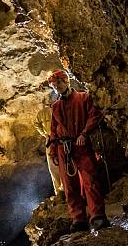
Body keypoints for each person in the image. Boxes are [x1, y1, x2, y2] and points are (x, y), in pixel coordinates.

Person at [47, 69, 110, 232]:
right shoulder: (55, 107)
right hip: (64, 148)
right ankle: (78, 219)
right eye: (54, 86)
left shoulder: (84, 98)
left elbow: (94, 116)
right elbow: (54, 130)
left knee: (91, 181)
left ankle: (97, 216)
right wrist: (54, 150)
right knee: (69, 186)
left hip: (81, 145)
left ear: (66, 81)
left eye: (59, 83)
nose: (57, 87)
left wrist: (84, 133)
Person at [34, 95, 64, 199]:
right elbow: (36, 124)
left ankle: (64, 190)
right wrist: (45, 134)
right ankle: (59, 192)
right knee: (53, 166)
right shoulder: (43, 113)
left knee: (61, 165)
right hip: (52, 140)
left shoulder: (61, 108)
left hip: (61, 140)